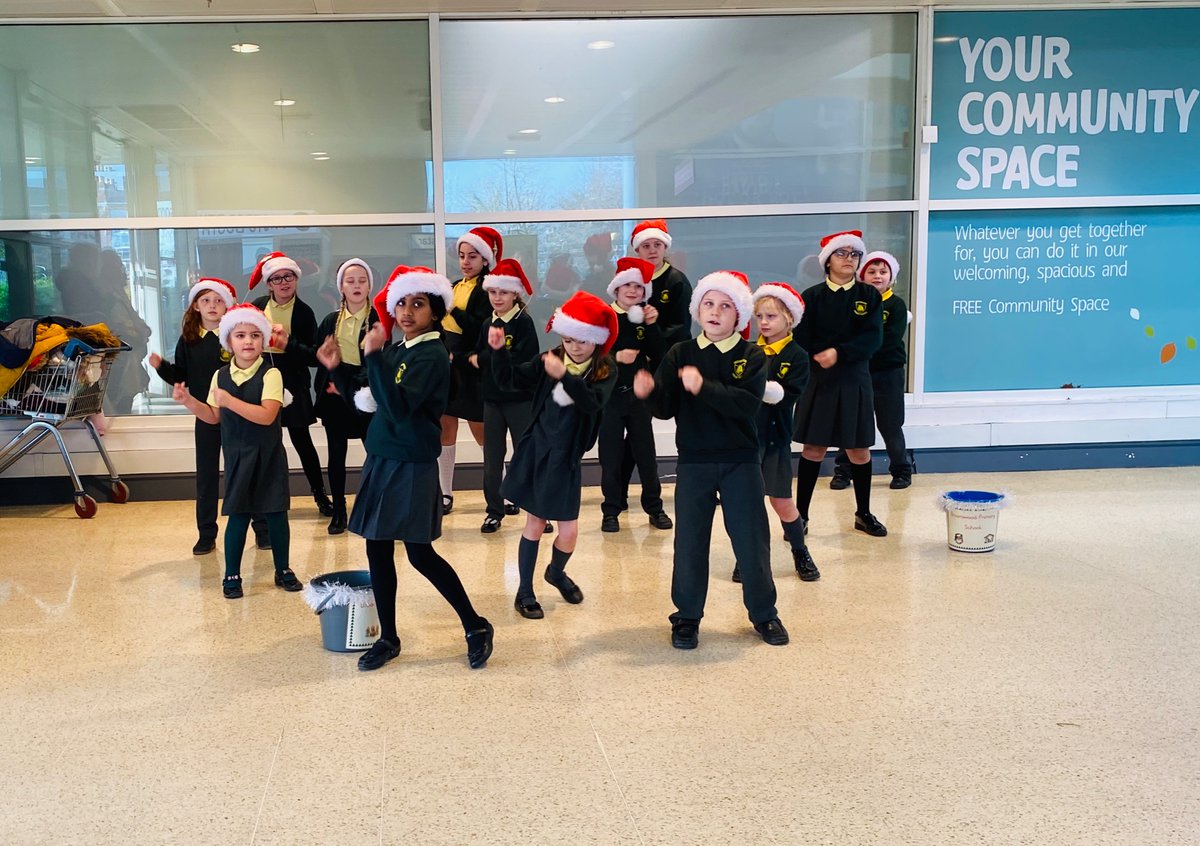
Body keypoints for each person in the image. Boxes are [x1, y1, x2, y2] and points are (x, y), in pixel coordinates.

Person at [336, 265, 493, 671]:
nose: (407, 311)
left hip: (412, 464)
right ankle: (388, 637)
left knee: (420, 554)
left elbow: (399, 407)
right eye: (401, 303)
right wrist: (339, 368)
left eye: (418, 304)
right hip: (382, 459)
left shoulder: (432, 354)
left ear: (435, 311)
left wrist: (371, 355)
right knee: (377, 550)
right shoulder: (398, 350)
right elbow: (371, 396)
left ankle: (476, 626)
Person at [633, 270, 789, 650]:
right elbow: (666, 409)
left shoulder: (750, 355)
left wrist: (704, 387)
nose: (715, 312)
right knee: (689, 542)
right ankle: (686, 616)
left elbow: (745, 405)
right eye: (708, 304)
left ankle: (764, 614)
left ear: (738, 316)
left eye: (725, 306)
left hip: (740, 462)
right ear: (697, 310)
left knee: (751, 541)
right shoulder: (680, 353)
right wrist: (650, 393)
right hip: (694, 462)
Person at [492, 291, 617, 620]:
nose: (574, 347)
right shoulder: (549, 359)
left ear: (596, 341)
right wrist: (497, 352)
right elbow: (510, 379)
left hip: (567, 457)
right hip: (538, 450)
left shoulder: (605, 370)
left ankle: (556, 573)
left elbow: (591, 403)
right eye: (568, 340)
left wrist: (565, 376)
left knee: (569, 532)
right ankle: (525, 591)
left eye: (582, 341)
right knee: (535, 522)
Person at [169, 303, 300, 599]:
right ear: (229, 342)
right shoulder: (220, 376)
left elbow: (267, 416)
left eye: (255, 335)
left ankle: (283, 569)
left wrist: (229, 402)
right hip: (238, 457)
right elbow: (213, 416)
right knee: (238, 515)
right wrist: (188, 401)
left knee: (276, 514)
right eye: (240, 335)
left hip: (267, 457)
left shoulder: (272, 375)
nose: (248, 341)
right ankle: (232, 574)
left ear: (264, 340)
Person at [150, 278, 267, 555]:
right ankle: (206, 533)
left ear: (227, 305)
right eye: (206, 301)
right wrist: (161, 368)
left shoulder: (234, 337)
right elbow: (181, 376)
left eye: (218, 301)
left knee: (245, 471)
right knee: (206, 475)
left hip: (238, 415)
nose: (212, 306)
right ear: (195, 306)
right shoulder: (188, 340)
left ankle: (262, 529)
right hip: (206, 415)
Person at [792, 231, 887, 538]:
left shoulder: (868, 296)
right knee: (813, 448)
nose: (849, 259)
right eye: (842, 254)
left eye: (854, 254)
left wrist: (840, 353)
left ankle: (863, 513)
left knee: (859, 450)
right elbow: (801, 338)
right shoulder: (812, 296)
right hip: (819, 380)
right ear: (827, 261)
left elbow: (873, 338)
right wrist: (820, 356)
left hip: (854, 379)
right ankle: (800, 516)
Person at [729, 282, 818, 583]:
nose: (764, 323)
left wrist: (759, 387)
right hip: (745, 441)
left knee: (781, 502)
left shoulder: (798, 356)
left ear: (789, 319)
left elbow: (788, 395)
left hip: (774, 438)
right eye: (760, 317)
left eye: (771, 317)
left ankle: (800, 551)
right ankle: (748, 557)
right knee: (748, 503)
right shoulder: (749, 351)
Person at [283, 258, 378, 534]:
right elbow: (317, 356)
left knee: (376, 454)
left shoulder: (376, 320)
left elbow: (378, 362)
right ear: (341, 288)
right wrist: (287, 343)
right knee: (336, 456)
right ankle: (339, 510)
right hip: (334, 396)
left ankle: (375, 507)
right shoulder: (330, 321)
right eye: (350, 281)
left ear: (370, 285)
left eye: (362, 280)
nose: (356, 285)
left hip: (365, 395)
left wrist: (352, 383)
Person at [249, 251, 334, 518]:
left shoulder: (306, 312)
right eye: (277, 279)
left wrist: (288, 343)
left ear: (296, 279)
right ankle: (264, 500)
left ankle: (320, 494)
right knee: (264, 441)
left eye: (288, 277)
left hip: (293, 381)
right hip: (262, 379)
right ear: (268, 284)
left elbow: (315, 355)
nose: (284, 283)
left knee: (301, 440)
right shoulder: (257, 305)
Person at [597, 257, 672, 532]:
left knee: (646, 454)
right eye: (626, 285)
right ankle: (611, 510)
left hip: (639, 398)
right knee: (611, 456)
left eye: (638, 287)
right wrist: (617, 358)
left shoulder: (643, 317)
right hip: (610, 399)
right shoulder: (604, 317)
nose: (632, 291)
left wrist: (652, 326)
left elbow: (660, 354)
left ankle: (654, 508)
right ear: (616, 289)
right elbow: (590, 359)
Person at [829, 251, 913, 490]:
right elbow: (844, 335)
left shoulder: (896, 305)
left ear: (891, 277)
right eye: (872, 271)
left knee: (890, 424)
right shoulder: (854, 303)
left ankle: (901, 470)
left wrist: (856, 348)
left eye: (883, 272)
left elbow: (888, 339)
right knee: (851, 422)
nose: (877, 276)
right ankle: (843, 472)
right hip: (856, 373)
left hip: (887, 374)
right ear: (862, 276)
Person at [469, 258, 539, 534]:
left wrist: (491, 357)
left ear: (515, 294)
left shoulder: (524, 322)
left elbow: (525, 361)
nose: (497, 297)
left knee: (525, 456)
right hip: (493, 401)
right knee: (492, 459)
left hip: (520, 400)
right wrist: (482, 358)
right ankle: (494, 510)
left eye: (503, 292)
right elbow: (478, 355)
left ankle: (536, 510)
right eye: (493, 292)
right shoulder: (488, 322)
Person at [438, 227, 503, 516]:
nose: (465, 262)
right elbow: (441, 324)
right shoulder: (453, 286)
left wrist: (451, 309)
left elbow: (480, 327)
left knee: (482, 430)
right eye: (462, 256)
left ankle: (504, 490)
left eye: (473, 256)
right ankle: (445, 493)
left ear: (485, 259)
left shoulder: (489, 289)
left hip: (472, 364)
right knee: (445, 426)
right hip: (448, 362)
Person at [631, 219, 692, 347]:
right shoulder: (630, 281)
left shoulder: (677, 281)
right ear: (637, 250)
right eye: (646, 246)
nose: (652, 251)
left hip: (670, 354)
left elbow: (680, 327)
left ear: (665, 247)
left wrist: (656, 350)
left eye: (657, 245)